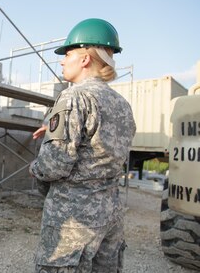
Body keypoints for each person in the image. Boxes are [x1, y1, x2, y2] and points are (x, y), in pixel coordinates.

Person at [29, 18, 136, 273]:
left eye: (67, 53)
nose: (62, 60)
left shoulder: (74, 96)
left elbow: (54, 164)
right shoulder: (121, 104)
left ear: (85, 59)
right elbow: (104, 147)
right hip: (110, 212)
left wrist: (35, 169)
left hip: (75, 220)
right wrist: (61, 130)